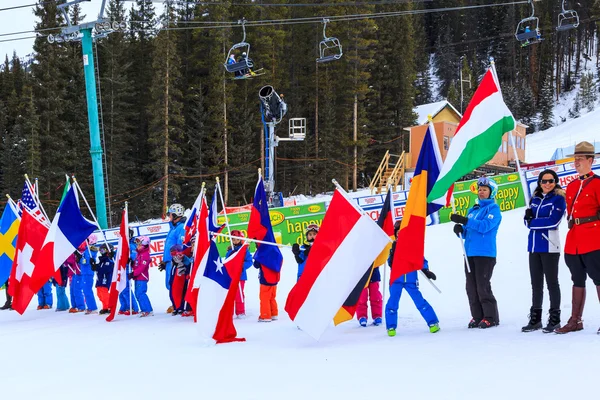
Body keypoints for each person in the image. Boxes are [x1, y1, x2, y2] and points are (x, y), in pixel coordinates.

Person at [555, 141, 600, 334]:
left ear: (591, 160)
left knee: (598, 278)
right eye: (575, 159)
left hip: (593, 237)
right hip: (574, 239)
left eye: (580, 159)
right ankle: (575, 320)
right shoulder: (572, 186)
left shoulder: (598, 183)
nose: (576, 162)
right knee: (577, 278)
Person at [451, 176, 502, 329]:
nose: (481, 192)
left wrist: (466, 221)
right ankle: (477, 316)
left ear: (491, 192)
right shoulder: (473, 210)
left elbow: (485, 226)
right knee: (471, 287)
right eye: (480, 189)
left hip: (485, 254)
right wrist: (460, 230)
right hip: (469, 253)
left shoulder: (493, 209)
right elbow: (468, 232)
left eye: (485, 190)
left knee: (482, 285)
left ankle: (490, 317)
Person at [521, 169, 566, 333]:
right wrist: (528, 219)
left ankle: (555, 317)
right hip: (534, 246)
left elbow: (553, 221)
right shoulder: (534, 198)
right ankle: (535, 318)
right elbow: (527, 223)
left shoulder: (558, 199)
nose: (547, 184)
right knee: (536, 284)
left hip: (550, 246)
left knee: (552, 283)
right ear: (539, 183)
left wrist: (532, 222)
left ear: (555, 182)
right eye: (544, 181)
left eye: (551, 181)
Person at [386, 221, 439, 336]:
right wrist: (394, 252)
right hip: (396, 280)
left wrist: (426, 270)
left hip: (410, 279)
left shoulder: (412, 246)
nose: (400, 235)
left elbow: (421, 260)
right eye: (398, 233)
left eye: (402, 232)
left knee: (420, 301)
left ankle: (433, 322)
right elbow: (390, 263)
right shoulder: (393, 246)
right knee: (392, 303)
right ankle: (391, 327)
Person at [159, 203, 186, 314]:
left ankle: (179, 304)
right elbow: (168, 246)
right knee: (169, 284)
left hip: (176, 261)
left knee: (175, 284)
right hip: (170, 261)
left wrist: (176, 259)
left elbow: (180, 245)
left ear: (176, 215)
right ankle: (175, 303)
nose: (169, 217)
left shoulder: (180, 228)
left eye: (170, 214)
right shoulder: (173, 228)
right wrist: (165, 261)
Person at [226, 230, 253, 318]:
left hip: (240, 276)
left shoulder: (244, 250)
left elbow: (249, 261)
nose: (235, 241)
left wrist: (241, 266)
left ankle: (240, 311)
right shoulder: (230, 251)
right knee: (231, 294)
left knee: (239, 294)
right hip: (231, 276)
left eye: (237, 239)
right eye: (233, 240)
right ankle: (230, 312)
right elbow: (227, 262)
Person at [119, 229, 139, 315]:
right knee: (121, 288)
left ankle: (133, 307)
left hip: (127, 269)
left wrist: (130, 259)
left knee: (126, 288)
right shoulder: (122, 244)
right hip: (121, 269)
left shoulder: (131, 245)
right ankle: (125, 306)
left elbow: (134, 255)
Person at [132, 236, 153, 317]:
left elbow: (142, 267)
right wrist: (132, 264)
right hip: (138, 277)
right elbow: (137, 265)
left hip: (142, 277)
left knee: (141, 293)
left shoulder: (145, 254)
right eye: (137, 244)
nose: (137, 246)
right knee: (137, 293)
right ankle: (144, 309)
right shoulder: (139, 254)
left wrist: (134, 273)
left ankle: (147, 309)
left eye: (139, 244)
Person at [169, 244, 193, 317]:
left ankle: (181, 307)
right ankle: (176, 307)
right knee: (172, 294)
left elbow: (189, 264)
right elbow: (172, 271)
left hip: (182, 279)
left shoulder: (183, 257)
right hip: (174, 279)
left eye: (174, 252)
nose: (173, 254)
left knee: (181, 293)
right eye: (171, 252)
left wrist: (183, 260)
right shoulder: (173, 260)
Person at [79, 234, 99, 315]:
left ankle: (92, 307)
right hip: (85, 272)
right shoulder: (87, 250)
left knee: (87, 290)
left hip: (88, 272)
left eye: (87, 240)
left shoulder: (91, 250)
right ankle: (90, 306)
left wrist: (80, 259)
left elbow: (86, 261)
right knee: (85, 290)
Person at [95, 243, 115, 315]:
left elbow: (104, 270)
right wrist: (94, 265)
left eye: (103, 250)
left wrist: (96, 267)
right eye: (100, 250)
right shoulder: (101, 260)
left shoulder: (109, 260)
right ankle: (105, 307)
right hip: (99, 278)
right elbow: (99, 269)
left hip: (105, 278)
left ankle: (110, 306)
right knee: (99, 293)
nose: (101, 252)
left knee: (104, 293)